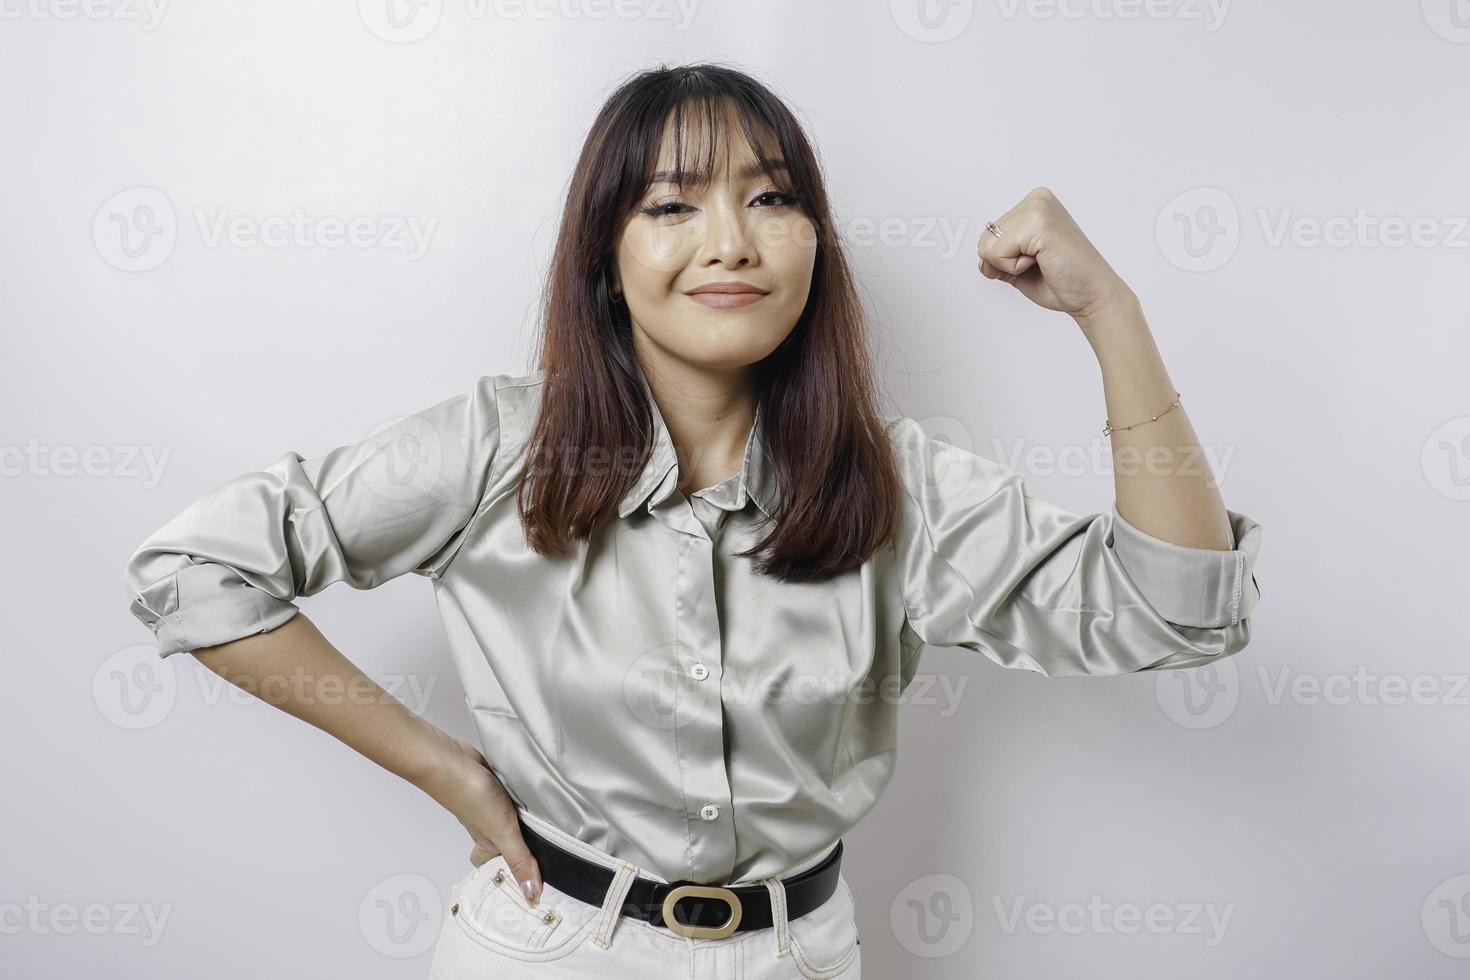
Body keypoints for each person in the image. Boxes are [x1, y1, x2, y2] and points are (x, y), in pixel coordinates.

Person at [123, 63, 1263, 979]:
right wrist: (444, 770)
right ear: (608, 261)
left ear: (815, 243)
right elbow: (197, 567)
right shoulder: (493, 448)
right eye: (672, 204)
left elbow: (1177, 614)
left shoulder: (898, 485)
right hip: (544, 946)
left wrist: (1110, 311)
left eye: (771, 198)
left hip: (804, 954)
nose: (731, 241)